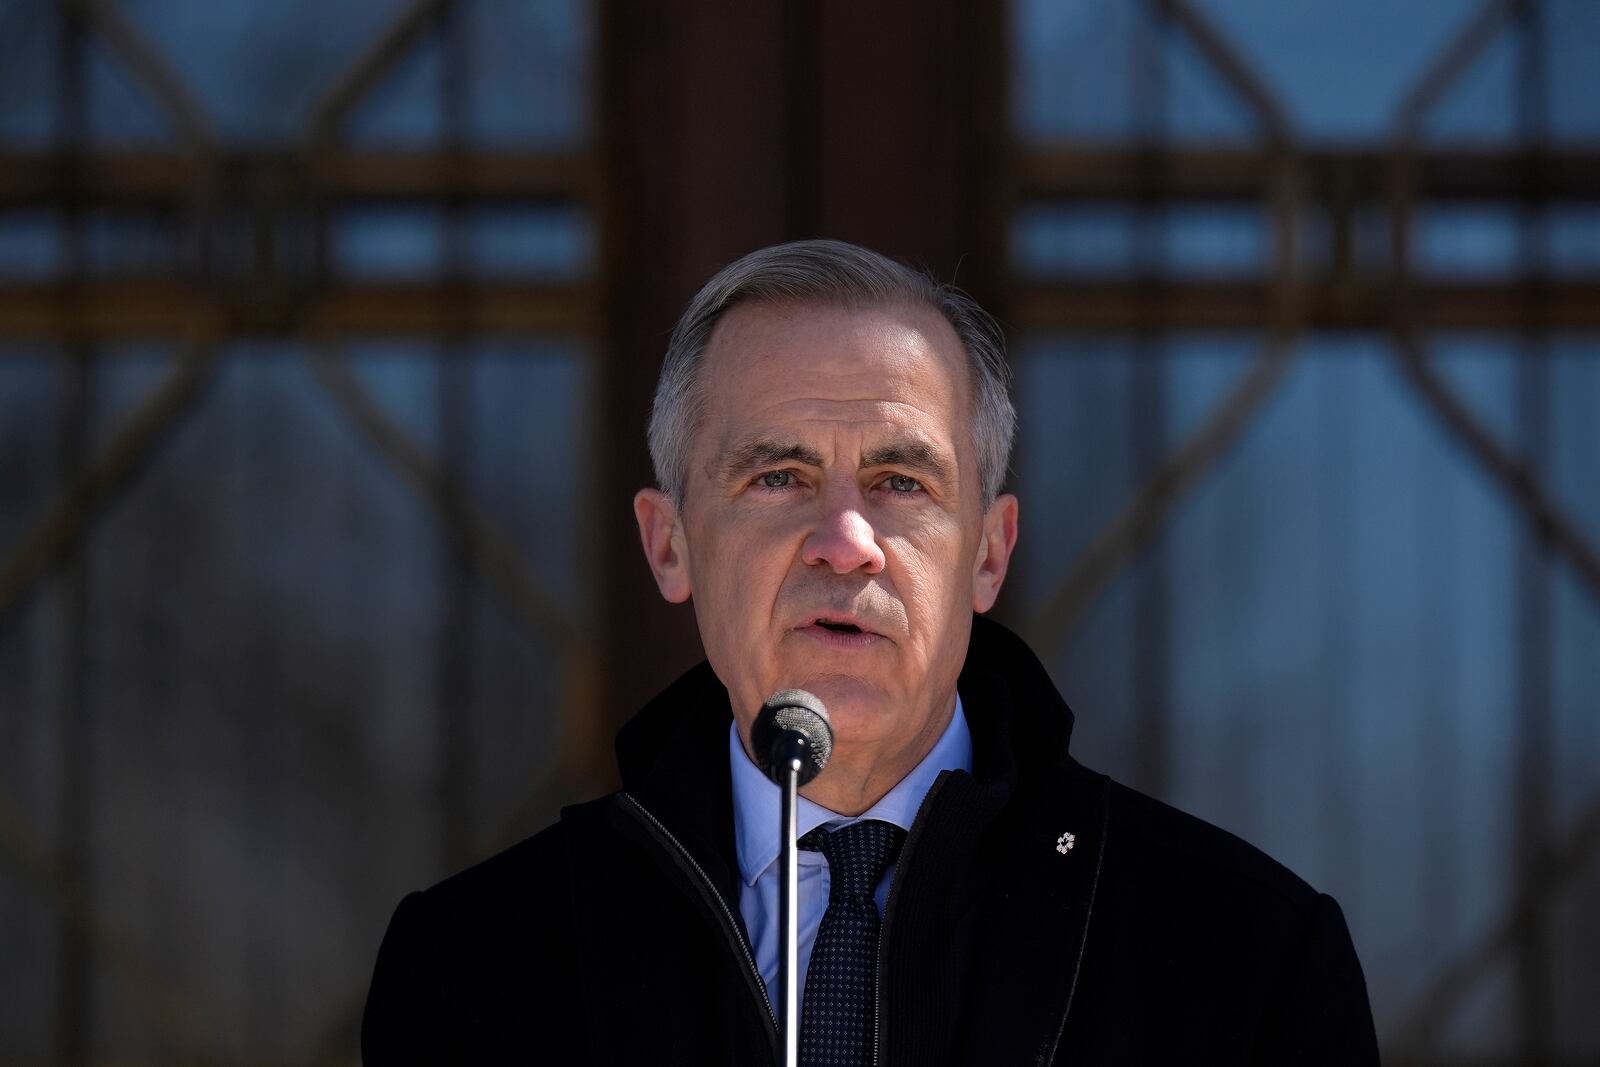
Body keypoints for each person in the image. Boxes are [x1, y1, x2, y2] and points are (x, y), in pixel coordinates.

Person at [361, 239, 1379, 1064]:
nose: (845, 539)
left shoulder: (1242, 958)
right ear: (669, 544)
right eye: (777, 477)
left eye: (901, 481)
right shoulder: (473, 970)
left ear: (988, 554)